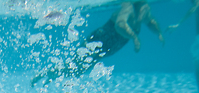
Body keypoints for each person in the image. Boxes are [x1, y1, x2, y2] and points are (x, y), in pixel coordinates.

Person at [31, 1, 165, 86]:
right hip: (97, 41)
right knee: (75, 67)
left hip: (104, 48)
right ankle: (46, 75)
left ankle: (50, 75)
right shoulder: (129, 6)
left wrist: (158, 32)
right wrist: (135, 38)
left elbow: (150, 21)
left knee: (77, 70)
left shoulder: (144, 9)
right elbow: (120, 25)